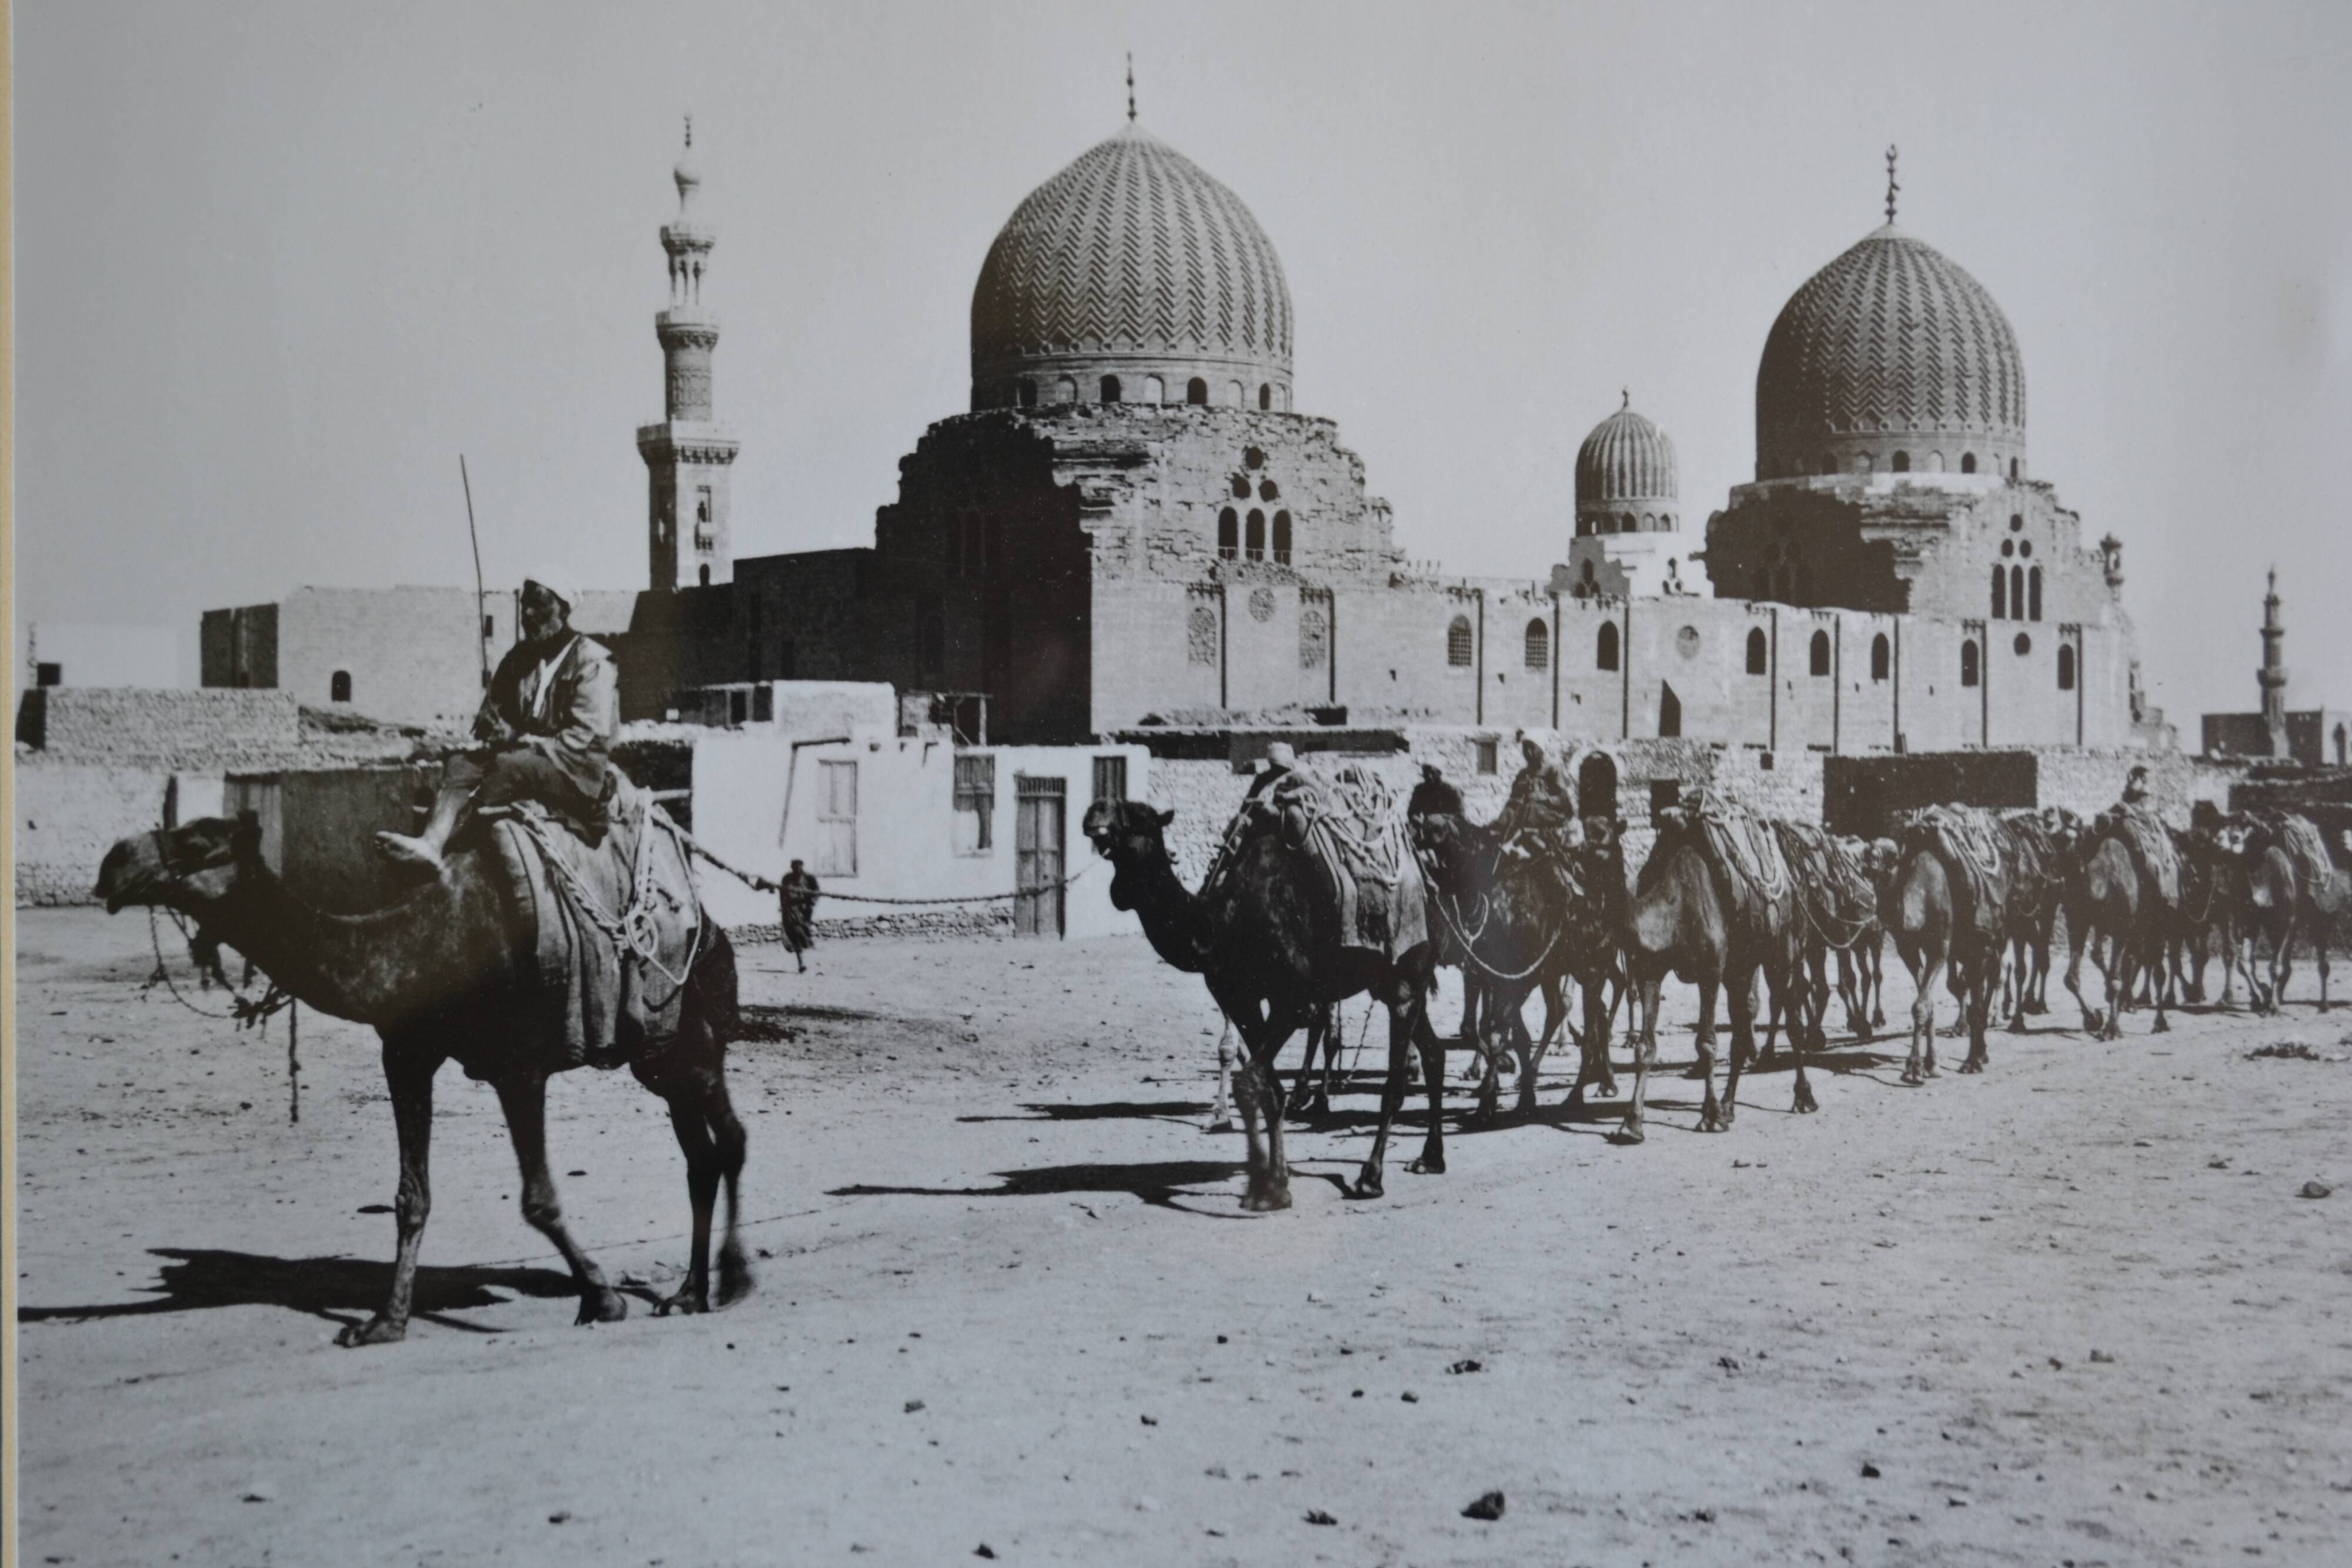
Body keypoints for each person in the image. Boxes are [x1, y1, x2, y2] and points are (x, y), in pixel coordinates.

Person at [376, 576, 617, 876]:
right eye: (525, 605)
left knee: (508, 767)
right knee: (460, 765)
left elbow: (586, 735)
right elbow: (492, 714)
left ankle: (459, 843)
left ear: (563, 610)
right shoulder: (518, 659)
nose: (528, 614)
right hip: (523, 757)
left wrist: (522, 739)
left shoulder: (592, 661)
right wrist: (495, 725)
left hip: (572, 770)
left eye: (539, 606)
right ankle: (432, 843)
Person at [1492, 735, 1576, 851]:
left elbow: (1564, 801)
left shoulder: (1553, 770)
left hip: (1553, 813)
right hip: (1526, 812)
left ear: (1540, 750)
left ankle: (1517, 843)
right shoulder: (1523, 774)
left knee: (1531, 808)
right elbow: (1513, 797)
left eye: (1532, 748)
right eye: (1525, 749)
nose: (1528, 752)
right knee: (1509, 811)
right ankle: (1497, 840)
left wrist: (1543, 798)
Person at [777, 859, 820, 971]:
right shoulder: (787, 878)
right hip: (791, 910)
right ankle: (801, 963)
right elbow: (782, 893)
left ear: (802, 867)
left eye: (798, 867)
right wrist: (782, 906)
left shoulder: (809, 878)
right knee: (796, 934)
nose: (796, 869)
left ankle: (806, 941)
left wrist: (813, 902)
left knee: (803, 932)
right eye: (794, 867)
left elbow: (816, 891)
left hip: (804, 910)